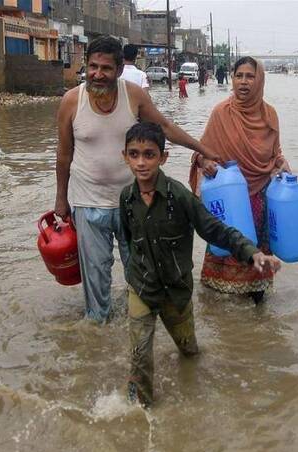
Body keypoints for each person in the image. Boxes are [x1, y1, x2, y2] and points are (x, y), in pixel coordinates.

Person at [55, 36, 219, 323]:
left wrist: (205, 150)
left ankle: (141, 323)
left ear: (118, 70)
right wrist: (60, 200)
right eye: (92, 66)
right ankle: (99, 328)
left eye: (105, 68)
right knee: (95, 274)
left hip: (134, 202)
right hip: (87, 202)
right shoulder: (71, 101)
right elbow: (63, 154)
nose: (98, 74)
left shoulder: (134, 96)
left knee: (141, 269)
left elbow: (165, 127)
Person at [120, 122, 281, 407]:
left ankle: (193, 386)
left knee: (189, 351)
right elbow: (128, 241)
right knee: (140, 354)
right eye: (134, 154)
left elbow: (215, 229)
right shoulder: (126, 198)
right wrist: (132, 276)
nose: (141, 162)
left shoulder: (179, 196)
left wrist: (252, 253)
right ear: (125, 157)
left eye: (149, 154)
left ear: (163, 157)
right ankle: (140, 410)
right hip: (141, 287)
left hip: (176, 291)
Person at [189, 56, 291, 305]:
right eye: (239, 76)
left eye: (250, 76)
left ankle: (256, 306)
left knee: (258, 255)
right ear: (232, 78)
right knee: (226, 248)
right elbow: (202, 152)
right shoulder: (221, 113)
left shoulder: (270, 115)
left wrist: (284, 167)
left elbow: (275, 153)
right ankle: (224, 313)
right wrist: (205, 163)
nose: (243, 82)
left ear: (259, 81)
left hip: (259, 195)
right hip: (228, 197)